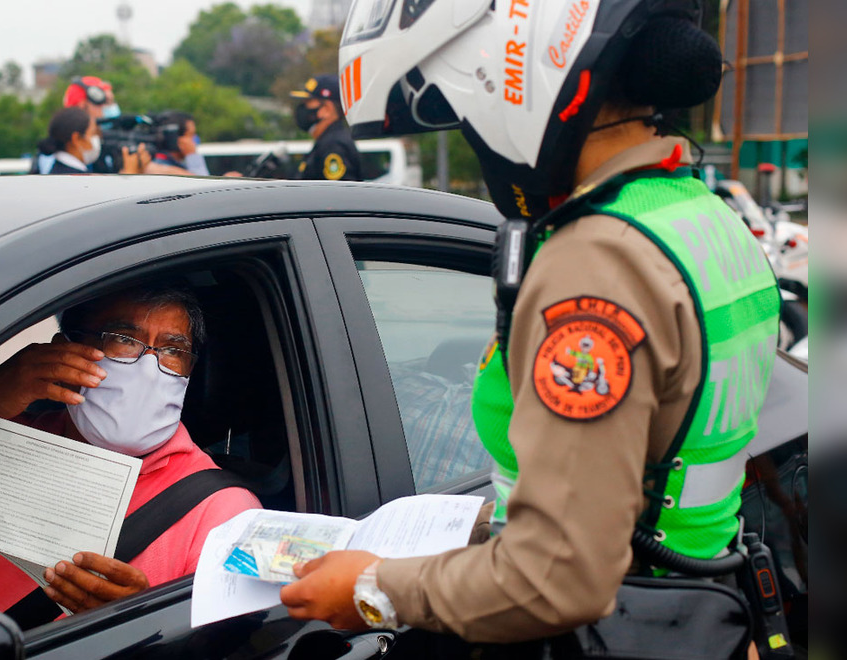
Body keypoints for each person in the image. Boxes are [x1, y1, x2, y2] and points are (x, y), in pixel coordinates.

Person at [280, 0, 781, 646]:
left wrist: (373, 588)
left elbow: (558, 576)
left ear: (506, 90)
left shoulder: (596, 260)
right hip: (695, 615)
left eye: (462, 116)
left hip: (613, 629)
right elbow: (655, 460)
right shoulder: (702, 217)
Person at [0, 282, 261, 626]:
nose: (149, 365)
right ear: (63, 349)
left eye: (172, 350)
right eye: (122, 339)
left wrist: (140, 623)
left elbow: (243, 643)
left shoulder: (225, 514)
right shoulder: (0, 447)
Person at [31, 76, 120, 174]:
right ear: (81, 105)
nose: (105, 110)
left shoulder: (103, 147)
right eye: (103, 103)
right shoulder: (51, 156)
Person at [33, 107, 148, 176]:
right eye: (93, 134)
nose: (98, 139)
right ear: (77, 139)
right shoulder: (72, 178)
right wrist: (130, 174)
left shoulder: (60, 172)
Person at [289, 74, 362, 182]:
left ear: (327, 109)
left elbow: (339, 194)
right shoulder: (327, 141)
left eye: (308, 102)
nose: (302, 108)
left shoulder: (333, 145)